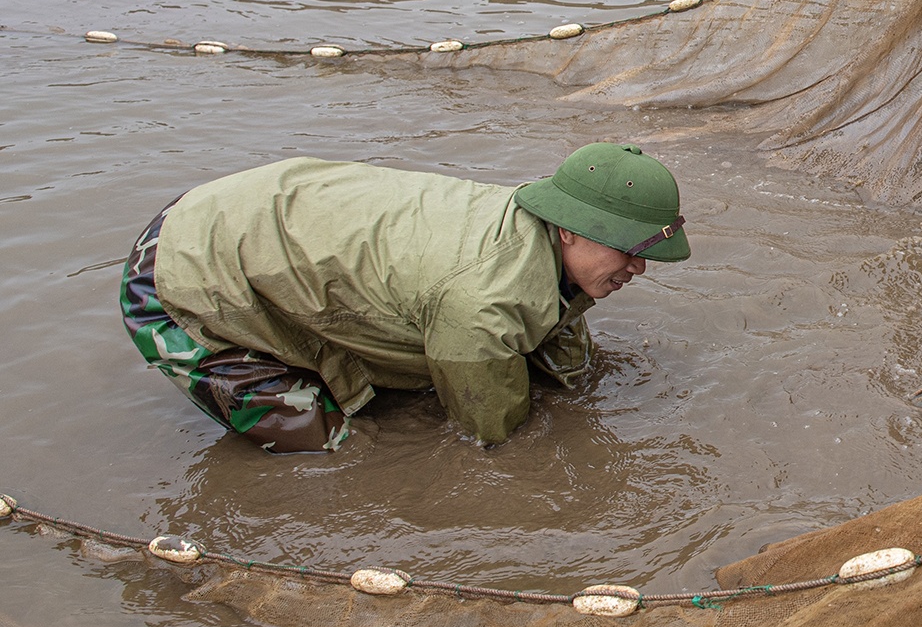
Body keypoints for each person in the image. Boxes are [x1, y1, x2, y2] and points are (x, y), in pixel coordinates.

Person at [121, 142, 689, 451]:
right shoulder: (483, 302)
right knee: (330, 447)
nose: (637, 268)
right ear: (567, 227)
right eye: (626, 251)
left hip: (257, 213)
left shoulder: (540, 230)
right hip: (185, 271)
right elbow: (489, 431)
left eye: (646, 255)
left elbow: (555, 336)